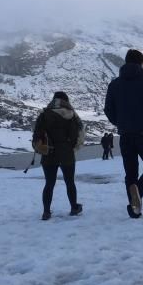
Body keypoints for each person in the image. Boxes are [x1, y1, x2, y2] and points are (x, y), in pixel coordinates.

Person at [104, 49, 143, 218]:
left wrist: (120, 123)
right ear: (141, 63)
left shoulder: (114, 84)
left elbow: (108, 109)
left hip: (125, 135)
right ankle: (140, 190)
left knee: (131, 172)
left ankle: (135, 209)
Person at [32, 91, 85, 220]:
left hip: (48, 152)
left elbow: (37, 134)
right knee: (70, 182)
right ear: (66, 101)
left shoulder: (44, 115)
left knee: (49, 183)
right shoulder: (71, 115)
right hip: (66, 153)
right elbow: (75, 135)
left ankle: (46, 212)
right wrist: (69, 146)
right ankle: (74, 207)